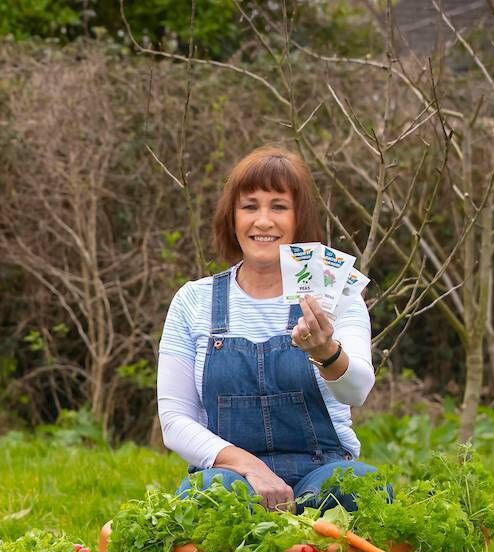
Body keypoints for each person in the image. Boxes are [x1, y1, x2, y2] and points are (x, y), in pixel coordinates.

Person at [157, 145, 377, 511]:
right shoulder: (193, 301)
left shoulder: (334, 295)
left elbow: (357, 390)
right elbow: (175, 421)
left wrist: (326, 352)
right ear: (231, 218)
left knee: (359, 485)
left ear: (299, 217)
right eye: (249, 207)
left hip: (322, 476)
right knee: (210, 492)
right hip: (231, 476)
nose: (263, 221)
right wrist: (250, 467)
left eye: (278, 206)